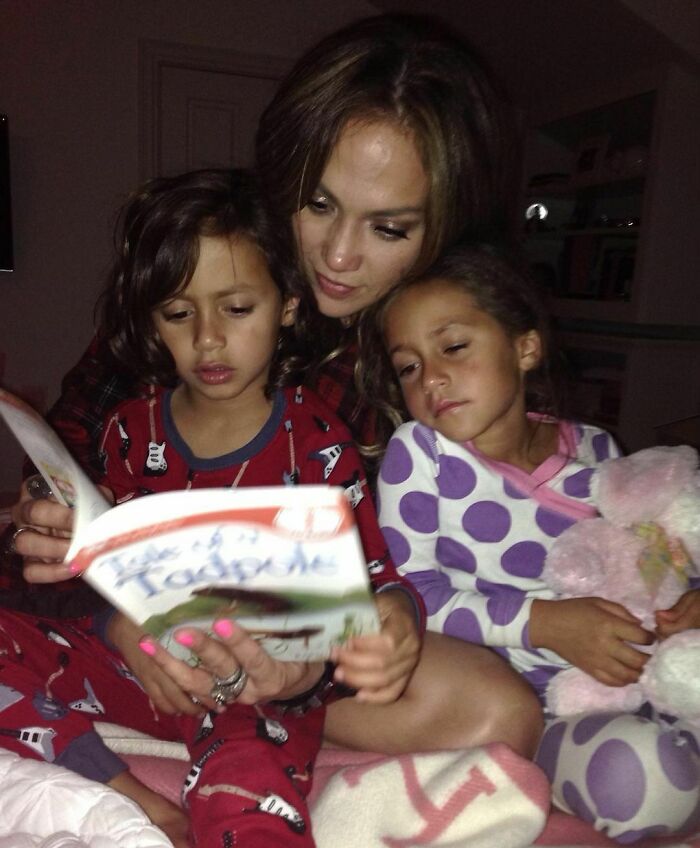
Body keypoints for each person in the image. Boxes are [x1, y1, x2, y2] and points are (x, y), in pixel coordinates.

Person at [9, 12, 542, 758]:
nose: (339, 255)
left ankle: (235, 713)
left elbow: (450, 554)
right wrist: (104, 602)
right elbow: (64, 475)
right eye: (318, 204)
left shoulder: (435, 349)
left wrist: (386, 625)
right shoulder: (194, 291)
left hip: (308, 648)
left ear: (441, 230)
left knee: (500, 711)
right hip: (144, 618)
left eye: (389, 228)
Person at [0, 167, 428, 848]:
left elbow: (379, 579)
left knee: (251, 802)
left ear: (288, 304)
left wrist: (396, 617)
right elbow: (107, 567)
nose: (206, 340)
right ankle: (129, 794)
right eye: (177, 314)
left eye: (236, 308)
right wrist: (105, 596)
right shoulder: (130, 430)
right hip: (142, 670)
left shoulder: (319, 442)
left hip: (257, 692)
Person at [368, 243, 700, 842]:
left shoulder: (599, 451)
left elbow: (654, 556)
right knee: (644, 783)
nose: (432, 377)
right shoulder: (421, 453)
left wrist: (684, 606)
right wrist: (543, 624)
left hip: (645, 676)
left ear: (524, 348)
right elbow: (413, 595)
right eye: (409, 367)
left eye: (453, 347)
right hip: (536, 708)